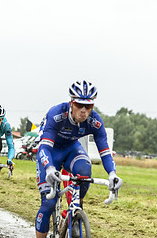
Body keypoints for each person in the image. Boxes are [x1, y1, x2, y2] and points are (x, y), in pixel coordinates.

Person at [35, 80, 123, 238]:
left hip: (71, 148)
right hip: (50, 151)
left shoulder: (95, 122)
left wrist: (112, 174)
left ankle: (73, 210)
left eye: (88, 106)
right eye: (79, 105)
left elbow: (105, 152)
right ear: (71, 103)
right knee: (48, 203)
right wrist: (49, 168)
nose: (83, 110)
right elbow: (45, 148)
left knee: (84, 170)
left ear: (92, 107)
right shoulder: (56, 114)